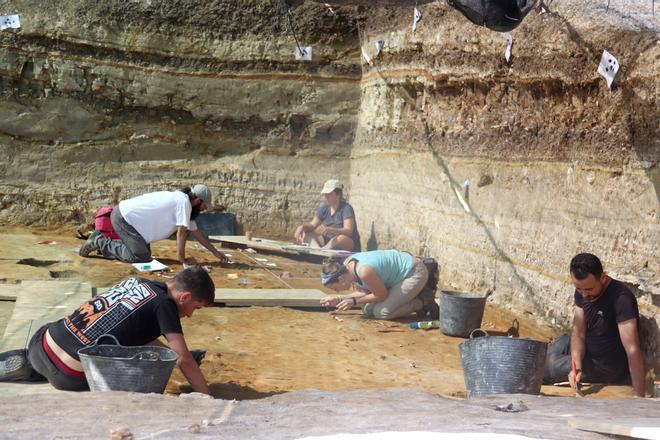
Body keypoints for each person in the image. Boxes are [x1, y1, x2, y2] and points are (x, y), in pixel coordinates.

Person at [0, 266, 215, 395]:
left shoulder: (137, 282)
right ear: (185, 296)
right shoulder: (164, 303)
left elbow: (138, 336)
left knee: (90, 336)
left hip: (41, 342)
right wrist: (208, 399)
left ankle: (32, 363)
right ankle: (49, 369)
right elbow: (183, 359)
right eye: (195, 308)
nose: (190, 315)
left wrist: (170, 354)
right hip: (68, 376)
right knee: (135, 370)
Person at [543, 253, 644, 397]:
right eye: (578, 289)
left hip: (604, 365)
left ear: (602, 277)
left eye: (589, 290)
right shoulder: (583, 288)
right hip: (586, 346)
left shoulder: (621, 300)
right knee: (537, 352)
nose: (584, 294)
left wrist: (639, 396)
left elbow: (633, 350)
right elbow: (579, 332)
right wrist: (576, 365)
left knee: (542, 366)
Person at [79, 184, 227, 266]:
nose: (204, 209)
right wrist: (182, 259)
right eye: (204, 206)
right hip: (124, 219)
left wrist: (215, 252)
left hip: (130, 222)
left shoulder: (183, 203)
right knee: (139, 256)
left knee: (145, 254)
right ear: (198, 201)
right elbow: (181, 233)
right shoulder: (184, 203)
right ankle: (99, 241)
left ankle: (106, 242)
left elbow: (196, 233)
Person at [319, 250, 439, 320]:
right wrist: (338, 299)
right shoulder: (348, 266)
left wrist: (354, 301)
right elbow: (363, 292)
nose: (337, 291)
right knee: (368, 309)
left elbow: (382, 295)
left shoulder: (364, 272)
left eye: (335, 288)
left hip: (413, 272)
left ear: (341, 278)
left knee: (382, 312)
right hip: (396, 278)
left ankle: (423, 301)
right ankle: (411, 297)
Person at [294, 179, 361, 252]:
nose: (326, 196)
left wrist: (329, 229)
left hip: (346, 243)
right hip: (327, 243)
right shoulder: (324, 208)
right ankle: (318, 250)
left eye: (329, 194)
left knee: (341, 239)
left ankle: (323, 251)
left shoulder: (346, 208)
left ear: (338, 194)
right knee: (307, 235)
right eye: (326, 194)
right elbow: (313, 226)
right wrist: (303, 227)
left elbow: (348, 231)